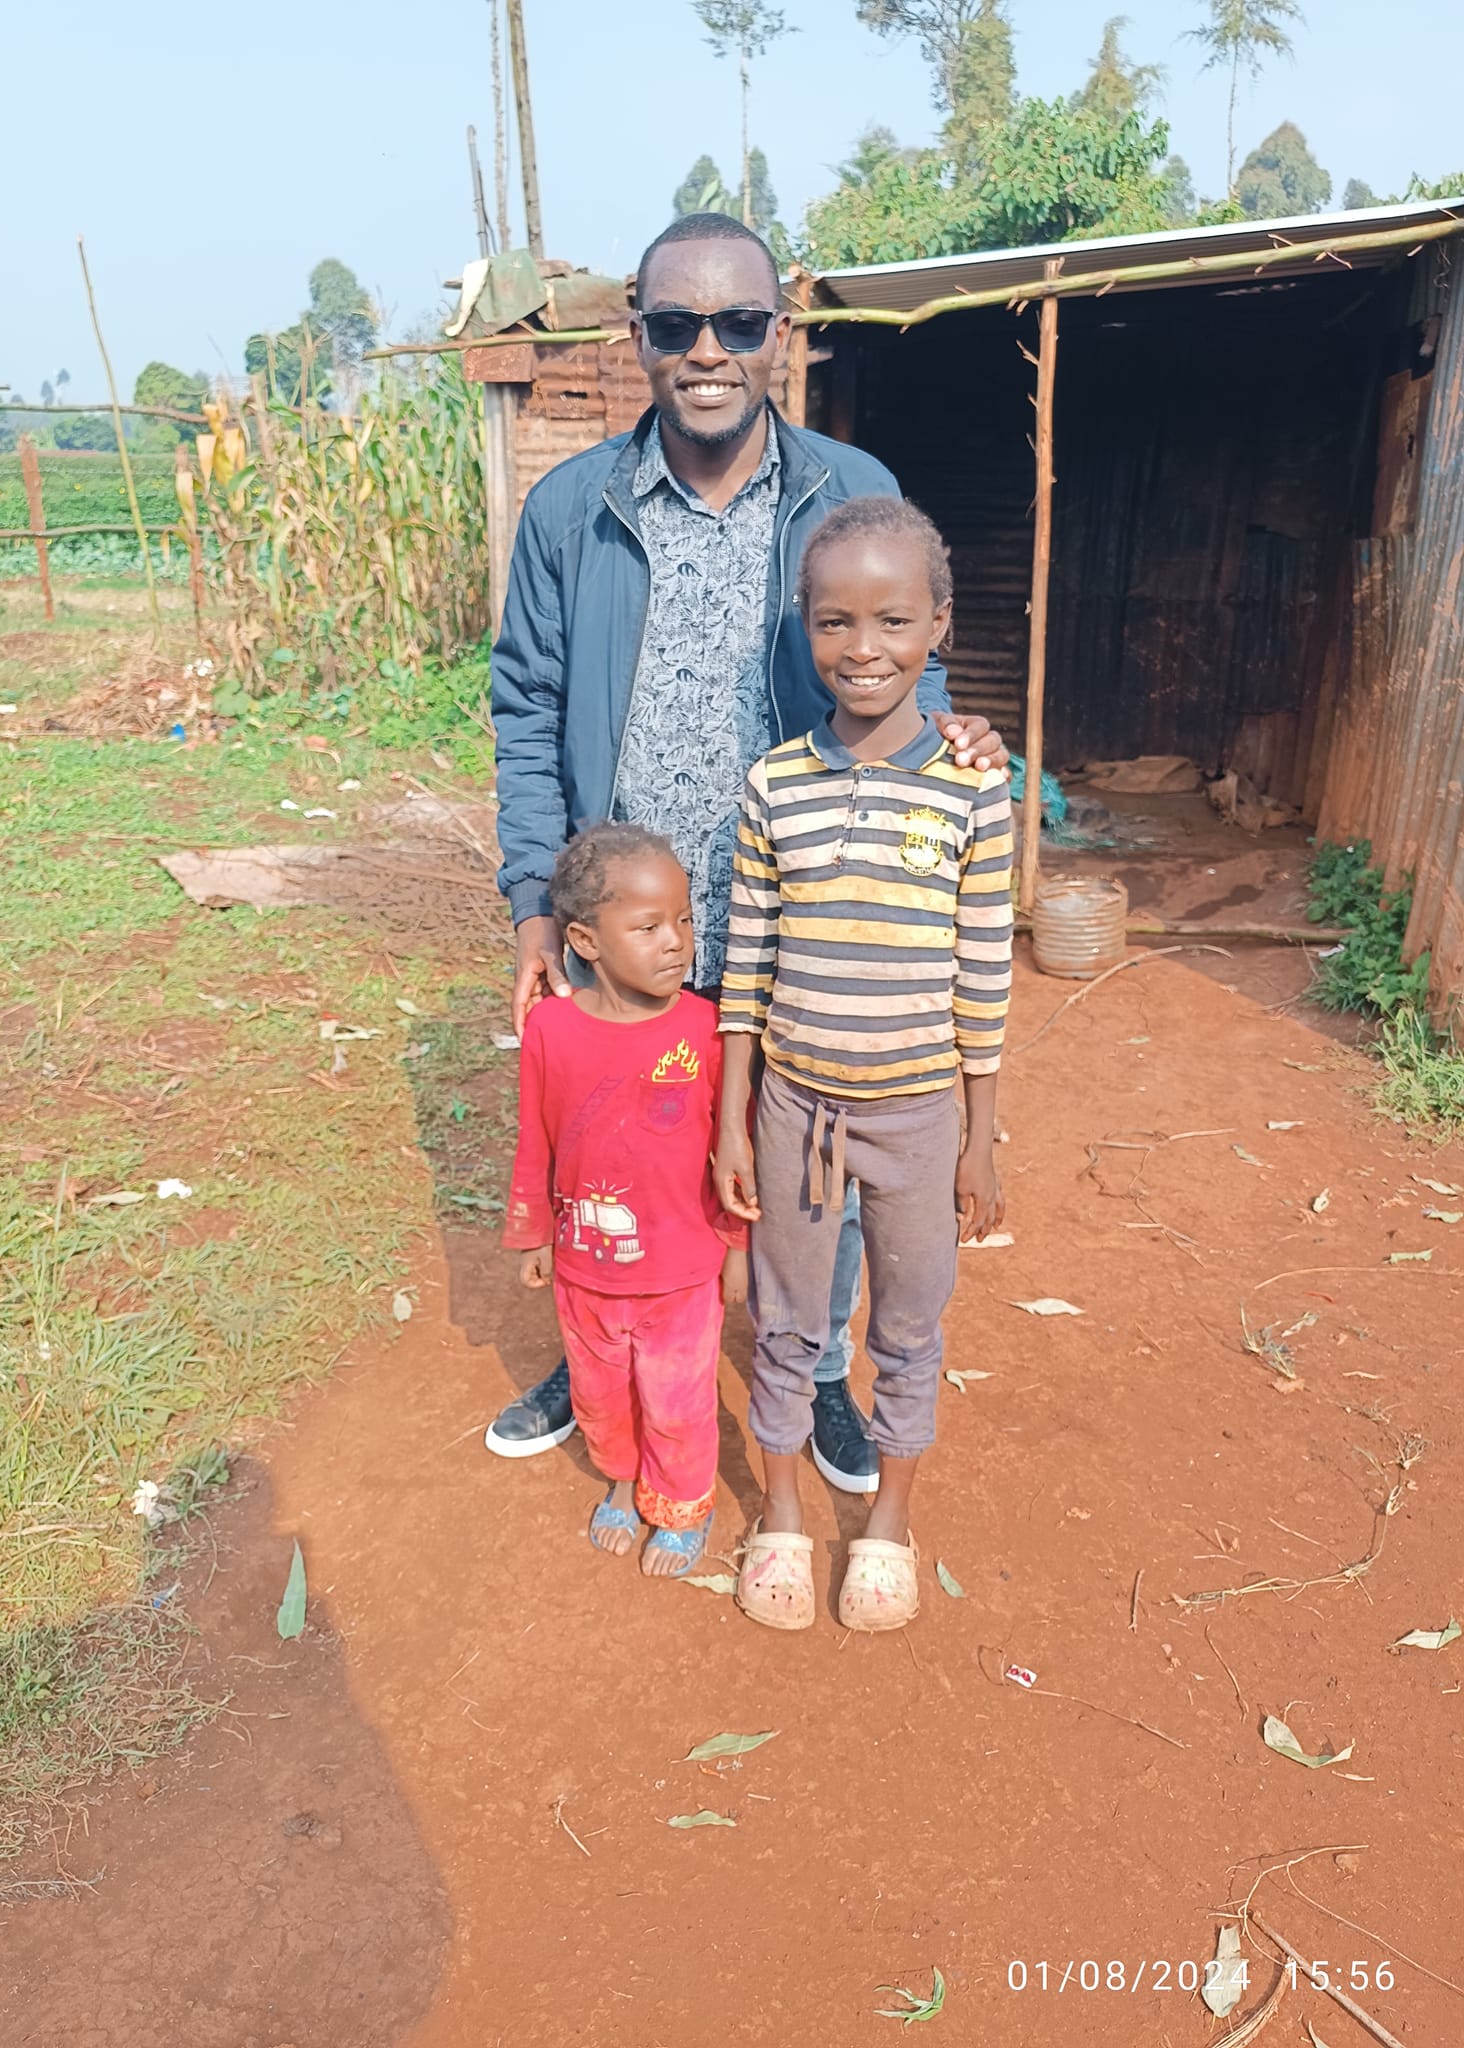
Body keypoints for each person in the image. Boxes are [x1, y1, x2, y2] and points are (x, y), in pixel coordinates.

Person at [486, 210, 1008, 1492]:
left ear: (783, 334)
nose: (708, 348)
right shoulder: (571, 509)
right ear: (639, 339)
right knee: (617, 1142)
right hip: (631, 918)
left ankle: (819, 1363)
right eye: (676, 325)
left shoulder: (847, 486)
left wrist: (960, 735)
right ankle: (604, 1336)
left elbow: (901, 658)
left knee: (809, 1147)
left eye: (738, 322)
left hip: (807, 905)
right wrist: (534, 905)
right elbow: (525, 711)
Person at [714, 497, 1013, 1633]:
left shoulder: (974, 783)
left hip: (921, 1115)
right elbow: (747, 959)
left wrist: (984, 1132)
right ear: (805, 628)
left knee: (910, 1323)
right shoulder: (773, 785)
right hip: (795, 1105)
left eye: (893, 619)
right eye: (834, 621)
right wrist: (734, 1114)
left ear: (939, 624)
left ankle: (888, 1521)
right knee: (791, 1318)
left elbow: (984, 967)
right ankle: (783, 1513)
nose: (863, 648)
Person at [503, 823, 745, 1578]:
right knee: (602, 1395)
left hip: (681, 1273)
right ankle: (621, 1480)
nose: (676, 942)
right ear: (585, 939)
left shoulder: (708, 1031)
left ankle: (681, 1504)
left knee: (676, 1401)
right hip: (585, 1271)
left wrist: (736, 1246)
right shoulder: (550, 1029)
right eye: (647, 927)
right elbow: (535, 1138)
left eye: (683, 920)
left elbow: (734, 1154)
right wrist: (534, 1232)